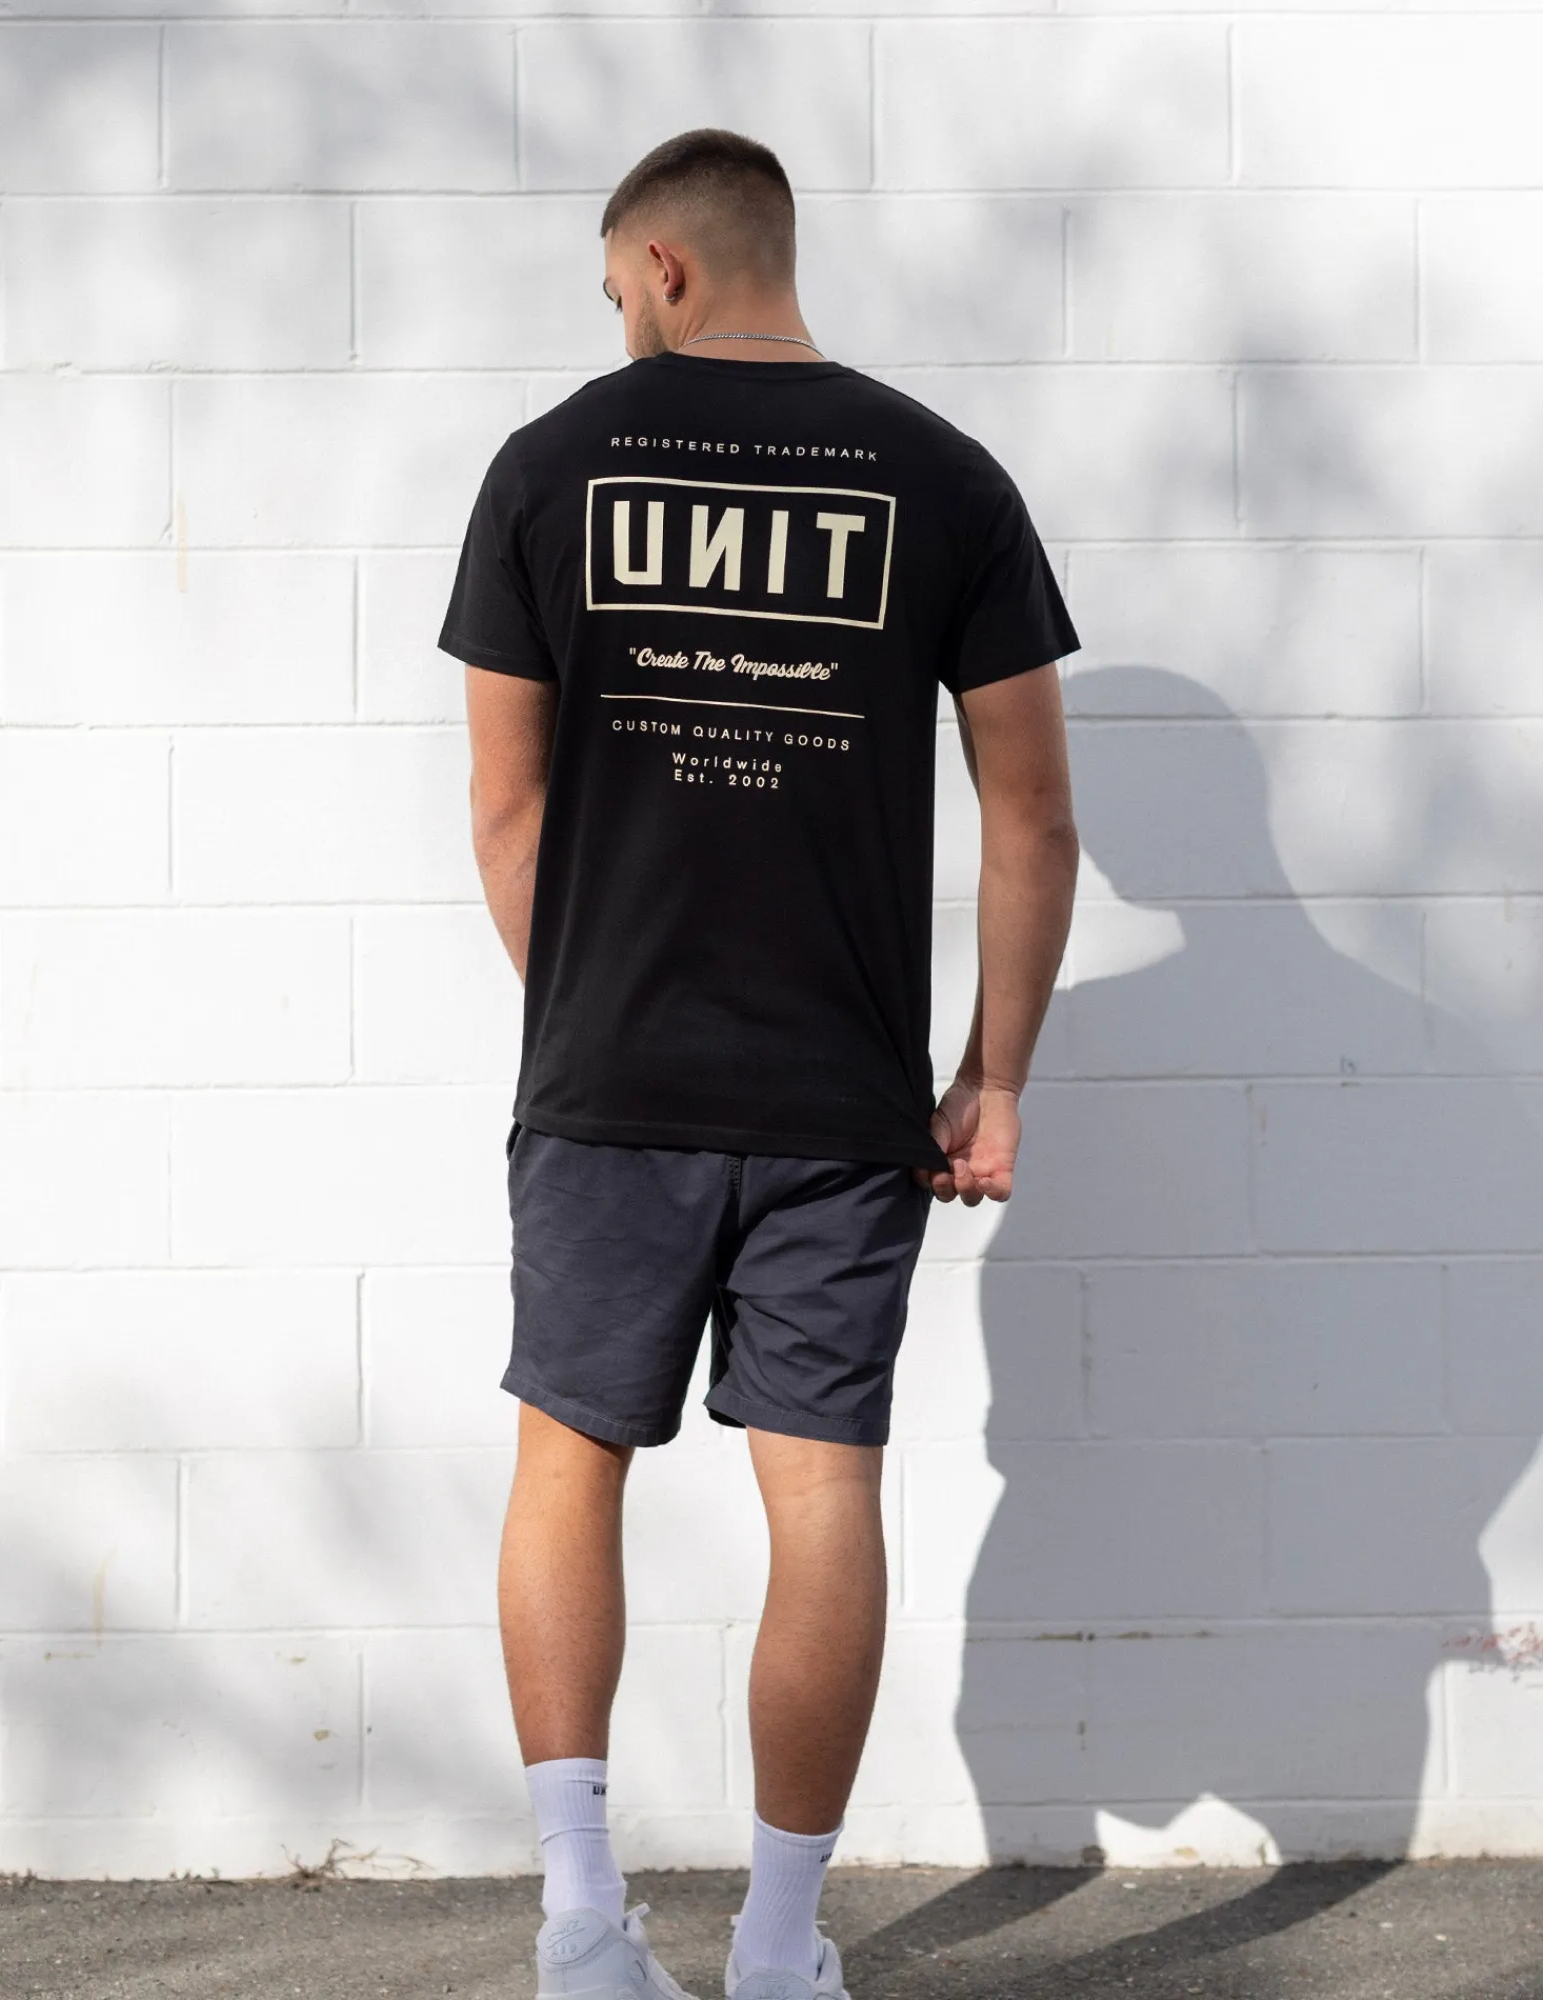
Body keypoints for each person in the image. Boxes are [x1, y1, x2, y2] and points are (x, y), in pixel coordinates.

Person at [438, 127, 1080, 2000]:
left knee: (568, 1464)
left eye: (614, 289)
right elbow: (1034, 818)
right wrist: (996, 1078)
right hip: (840, 1097)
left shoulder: (547, 467)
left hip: (610, 1086)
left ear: (665, 264)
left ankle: (581, 1926)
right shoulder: (944, 478)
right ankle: (783, 1952)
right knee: (823, 1500)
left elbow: (505, 809)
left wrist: (593, 1005)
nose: (617, 320)